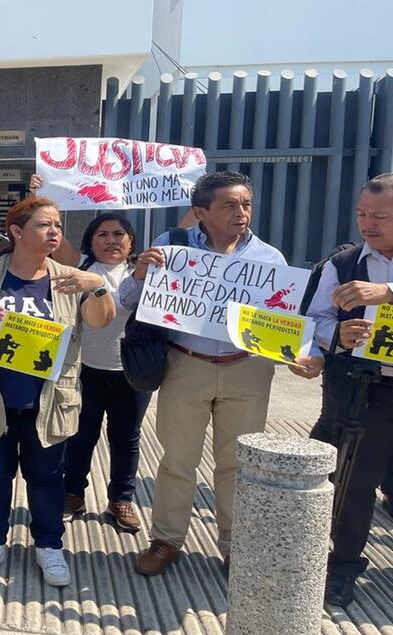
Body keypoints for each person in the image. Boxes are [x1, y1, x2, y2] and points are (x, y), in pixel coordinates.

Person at [118, 171, 322, 576]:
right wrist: (141, 274)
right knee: (178, 459)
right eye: (229, 205)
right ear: (200, 212)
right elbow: (127, 300)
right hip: (184, 364)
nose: (241, 213)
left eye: (246, 204)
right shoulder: (170, 247)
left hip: (247, 371)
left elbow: (280, 323)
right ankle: (166, 540)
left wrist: (298, 356)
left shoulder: (269, 260)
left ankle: (233, 544)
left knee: (236, 463)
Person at [0, 196, 116, 584]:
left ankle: (49, 546)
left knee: (48, 478)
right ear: (17, 232)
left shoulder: (70, 277)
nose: (54, 232)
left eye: (57, 225)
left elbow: (100, 322)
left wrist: (99, 287)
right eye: (44, 225)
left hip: (50, 400)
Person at [305, 173, 393, 607]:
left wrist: (389, 293)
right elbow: (315, 320)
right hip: (364, 387)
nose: (368, 224)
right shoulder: (343, 264)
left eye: (380, 216)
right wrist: (339, 334)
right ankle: (342, 565)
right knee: (355, 479)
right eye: (362, 214)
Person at [52, 213, 153, 534]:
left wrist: (195, 197)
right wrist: (41, 189)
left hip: (132, 373)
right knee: (80, 437)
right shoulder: (80, 268)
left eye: (119, 234)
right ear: (90, 242)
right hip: (85, 370)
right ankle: (73, 494)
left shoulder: (147, 272)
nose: (111, 241)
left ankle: (120, 500)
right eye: (102, 235)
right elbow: (55, 235)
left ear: (131, 240)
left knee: (126, 439)